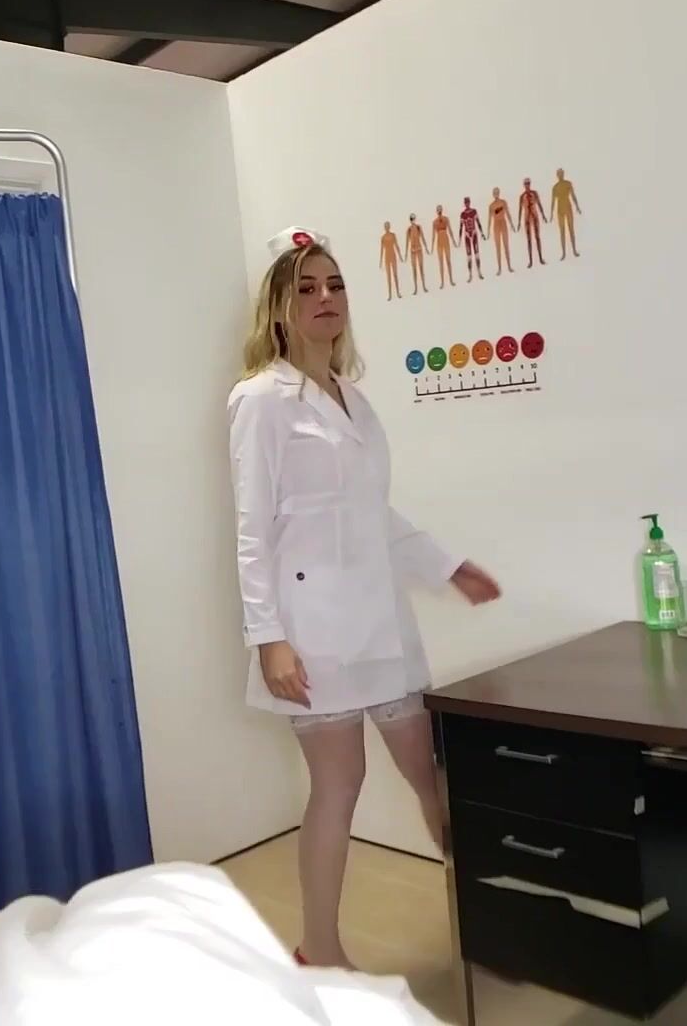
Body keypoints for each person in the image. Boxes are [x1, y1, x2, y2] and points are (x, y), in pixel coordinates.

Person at [227, 226, 502, 971]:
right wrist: (268, 638)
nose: (326, 298)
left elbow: (375, 514)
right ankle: (319, 948)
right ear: (279, 307)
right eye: (306, 287)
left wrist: (449, 567)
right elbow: (252, 529)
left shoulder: (353, 399)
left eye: (335, 285)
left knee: (432, 775)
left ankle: (490, 920)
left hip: (381, 620)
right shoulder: (261, 400)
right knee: (339, 783)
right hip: (312, 631)